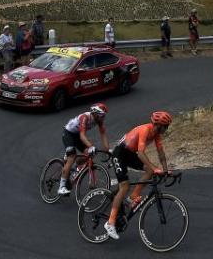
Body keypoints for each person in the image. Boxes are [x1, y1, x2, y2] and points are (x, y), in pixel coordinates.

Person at [105, 111, 172, 240]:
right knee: (124, 186)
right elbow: (141, 153)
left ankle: (133, 196)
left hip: (129, 154)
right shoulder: (145, 129)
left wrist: (165, 170)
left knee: (150, 170)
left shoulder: (156, 134)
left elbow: (161, 153)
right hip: (119, 153)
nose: (167, 129)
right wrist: (155, 168)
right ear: (158, 125)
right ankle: (110, 222)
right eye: (166, 126)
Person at [58, 103, 109, 196]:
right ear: (94, 113)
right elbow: (82, 136)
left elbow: (103, 135)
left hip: (77, 135)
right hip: (69, 134)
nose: (103, 118)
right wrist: (90, 146)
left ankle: (74, 168)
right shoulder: (85, 117)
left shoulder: (99, 121)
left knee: (90, 153)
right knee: (72, 157)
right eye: (101, 115)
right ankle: (61, 187)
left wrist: (107, 150)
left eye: (104, 116)